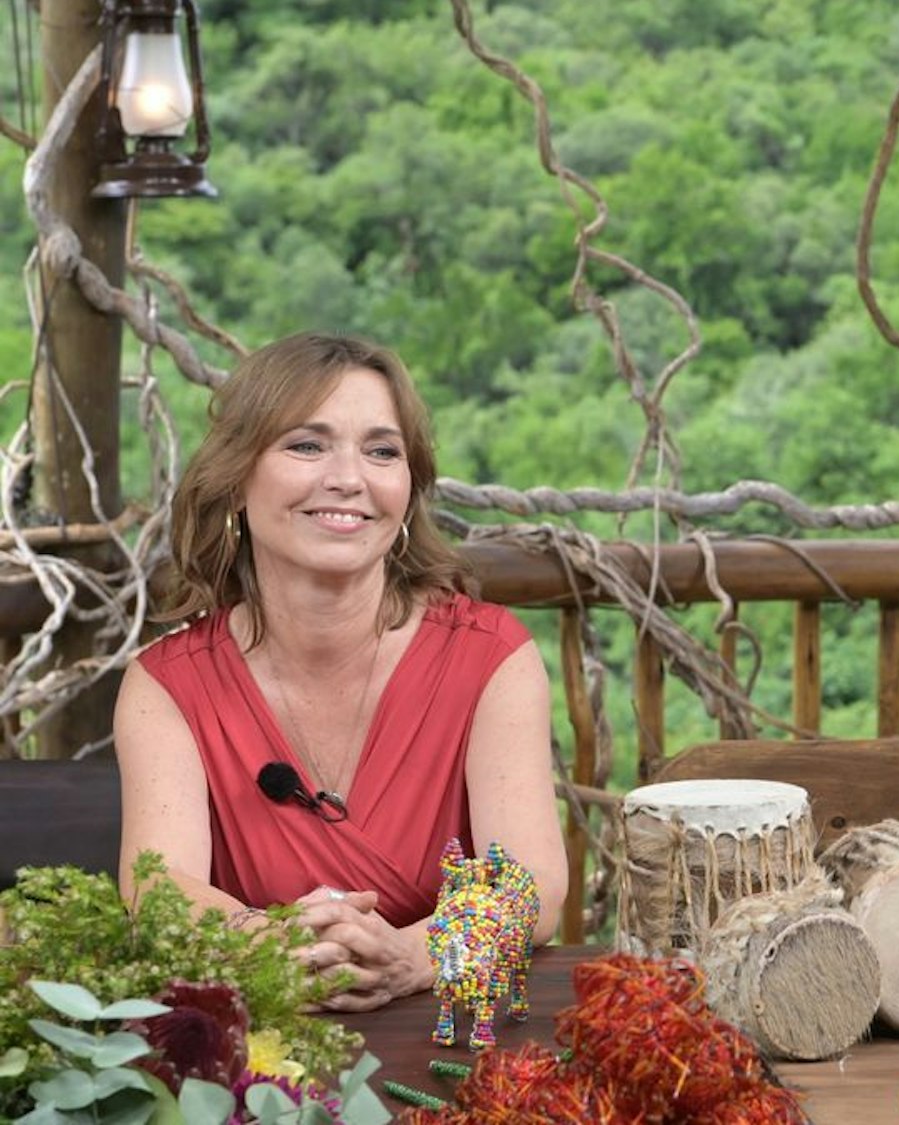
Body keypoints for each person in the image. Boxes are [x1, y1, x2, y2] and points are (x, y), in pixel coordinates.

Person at [115, 332, 568, 1012]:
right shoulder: (166, 688)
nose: (349, 478)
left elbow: (529, 885)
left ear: (407, 487)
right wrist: (268, 944)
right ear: (236, 478)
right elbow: (158, 885)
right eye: (307, 444)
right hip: (262, 1059)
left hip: (458, 1052)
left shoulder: (492, 658)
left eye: (381, 450)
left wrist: (415, 956)